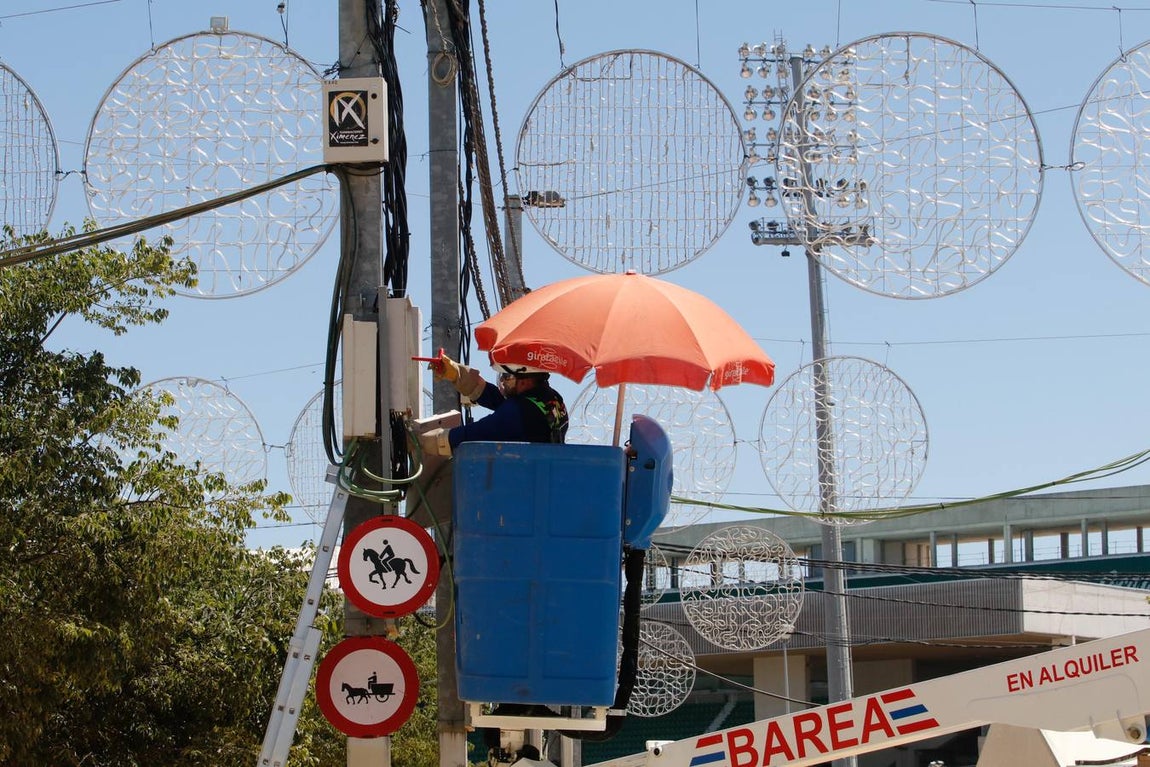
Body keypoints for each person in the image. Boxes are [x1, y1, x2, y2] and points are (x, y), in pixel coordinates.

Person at [422, 352, 568, 454]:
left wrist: (424, 441)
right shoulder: (553, 399)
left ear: (525, 380)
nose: (503, 382)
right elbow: (501, 401)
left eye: (507, 376)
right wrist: (457, 374)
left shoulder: (517, 413)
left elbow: (473, 434)